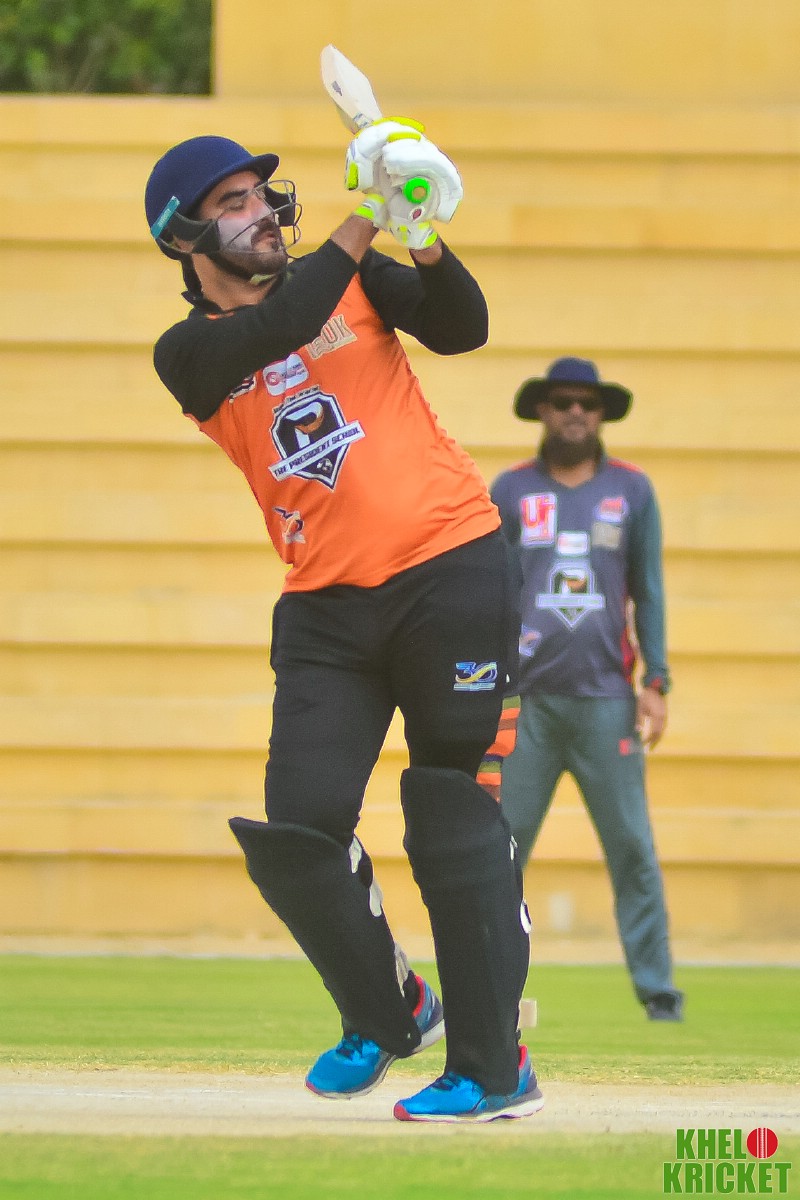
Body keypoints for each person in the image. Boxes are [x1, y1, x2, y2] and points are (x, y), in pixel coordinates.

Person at [143, 123, 544, 1121]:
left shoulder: (352, 278)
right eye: (231, 203)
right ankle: (389, 1008)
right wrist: (367, 214)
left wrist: (422, 234)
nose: (259, 213)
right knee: (298, 828)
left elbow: (462, 328)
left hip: (449, 567)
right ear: (183, 237)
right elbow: (279, 327)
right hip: (324, 606)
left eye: (260, 195)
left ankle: (494, 1072)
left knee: (449, 807)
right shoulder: (188, 351)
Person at [490, 357, 684, 1021]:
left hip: (607, 701)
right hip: (526, 703)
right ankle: (489, 985)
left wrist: (656, 681)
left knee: (632, 848)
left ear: (602, 414)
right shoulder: (510, 490)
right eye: (563, 401)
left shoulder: (632, 490)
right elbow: (491, 593)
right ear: (542, 410)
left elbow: (649, 591)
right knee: (500, 850)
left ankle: (658, 990)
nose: (576, 412)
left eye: (588, 403)